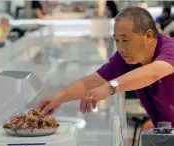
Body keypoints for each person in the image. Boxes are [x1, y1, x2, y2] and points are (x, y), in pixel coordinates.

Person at [38, 7, 174, 128]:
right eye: (117, 40)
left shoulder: (170, 48)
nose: (120, 48)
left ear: (148, 36)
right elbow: (92, 82)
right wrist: (58, 98)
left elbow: (154, 72)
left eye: (125, 40)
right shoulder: (125, 58)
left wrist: (110, 87)